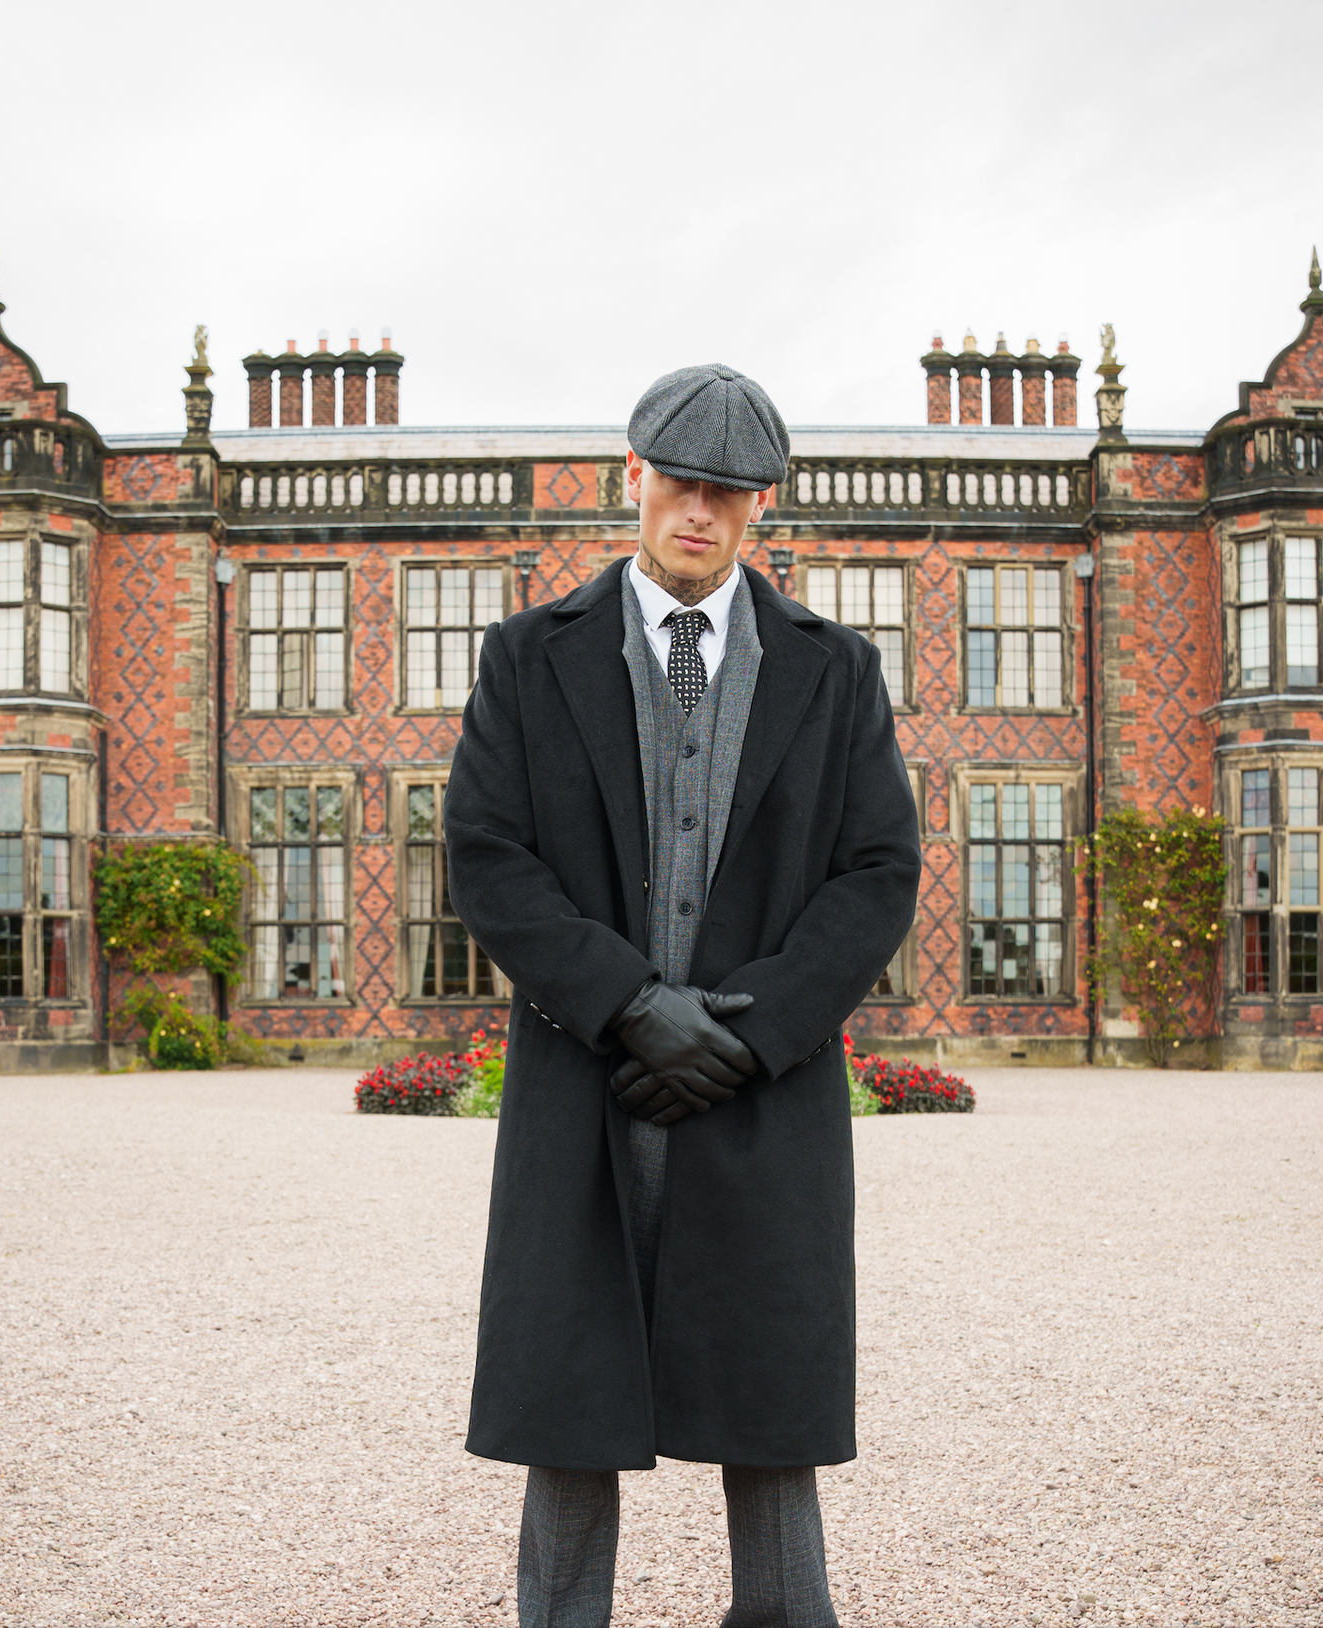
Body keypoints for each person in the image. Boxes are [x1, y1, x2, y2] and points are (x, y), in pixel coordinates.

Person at [444, 362, 921, 1628]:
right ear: (632, 475)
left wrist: (745, 1031)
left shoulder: (835, 668)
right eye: (679, 482)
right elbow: (488, 854)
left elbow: (877, 871)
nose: (699, 511)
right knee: (570, 1396)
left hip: (758, 1085)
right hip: (585, 1069)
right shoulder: (528, 656)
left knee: (768, 1406)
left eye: (729, 490)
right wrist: (624, 1001)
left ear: (762, 503)